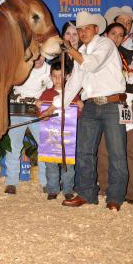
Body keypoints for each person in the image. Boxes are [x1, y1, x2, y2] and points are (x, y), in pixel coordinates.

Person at [46, 11, 128, 211]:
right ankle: (86, 193)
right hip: (90, 105)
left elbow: (91, 64)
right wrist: (54, 106)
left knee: (116, 153)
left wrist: (69, 49)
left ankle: (115, 197)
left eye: (87, 28)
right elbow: (73, 84)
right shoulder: (82, 51)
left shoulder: (105, 44)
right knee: (84, 152)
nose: (82, 32)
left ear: (96, 29)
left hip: (112, 104)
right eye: (80, 29)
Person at [96, 22, 133, 204]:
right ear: (106, 34)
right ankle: (105, 187)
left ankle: (130, 192)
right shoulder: (98, 55)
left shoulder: (131, 56)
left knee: (130, 149)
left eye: (120, 35)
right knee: (104, 149)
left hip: (131, 105)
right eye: (113, 34)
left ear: (124, 38)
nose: (116, 38)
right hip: (108, 104)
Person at [5, 54, 51, 195]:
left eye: (41, 57)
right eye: (35, 57)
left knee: (44, 146)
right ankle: (11, 182)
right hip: (17, 110)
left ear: (46, 55)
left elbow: (52, 91)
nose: (37, 60)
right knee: (13, 147)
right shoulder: (20, 68)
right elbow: (9, 88)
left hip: (38, 113)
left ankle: (45, 182)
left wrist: (43, 101)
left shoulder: (49, 71)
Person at [38, 59, 82, 200]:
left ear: (67, 76)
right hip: (51, 135)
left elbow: (77, 116)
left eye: (61, 76)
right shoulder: (45, 95)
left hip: (68, 136)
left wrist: (81, 107)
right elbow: (42, 116)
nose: (57, 79)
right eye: (54, 76)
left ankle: (68, 189)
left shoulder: (73, 95)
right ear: (50, 77)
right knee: (50, 164)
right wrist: (39, 108)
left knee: (68, 165)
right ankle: (52, 189)